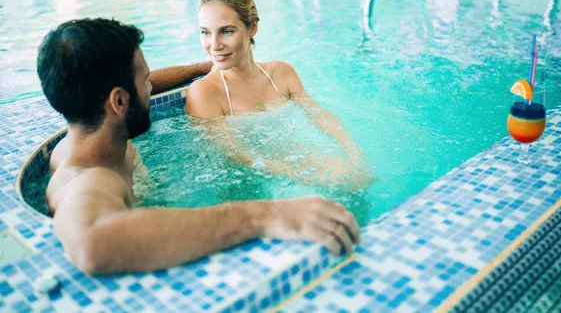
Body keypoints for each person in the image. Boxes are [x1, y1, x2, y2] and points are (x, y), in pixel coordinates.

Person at [38, 18, 360, 275]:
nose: (152, 87)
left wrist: (199, 69)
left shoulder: (94, 136)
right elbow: (90, 244)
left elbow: (136, 86)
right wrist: (267, 214)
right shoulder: (87, 179)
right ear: (119, 101)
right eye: (145, 81)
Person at [186, 0, 371, 188]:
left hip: (294, 160)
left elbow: (321, 117)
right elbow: (236, 154)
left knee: (357, 182)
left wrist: (355, 157)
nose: (215, 45)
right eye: (205, 32)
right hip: (249, 184)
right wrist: (307, 176)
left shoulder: (281, 74)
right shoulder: (205, 92)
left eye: (227, 31)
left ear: (252, 27)